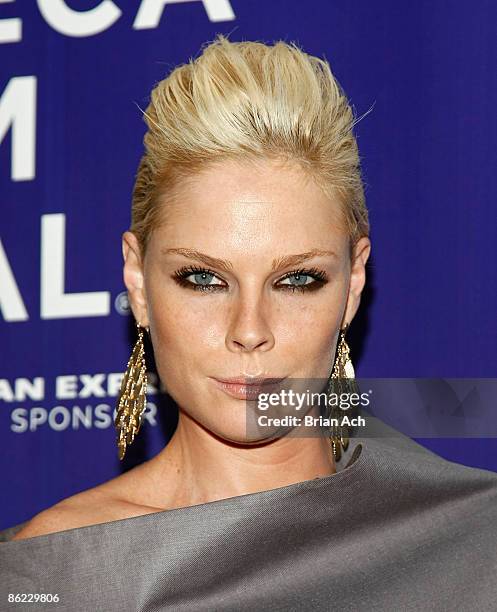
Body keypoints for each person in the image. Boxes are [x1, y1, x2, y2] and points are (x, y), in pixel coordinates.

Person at [1, 34, 497, 611]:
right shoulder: (62, 569)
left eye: (297, 280)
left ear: (353, 282)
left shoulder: (473, 543)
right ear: (137, 281)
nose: (250, 328)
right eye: (204, 279)